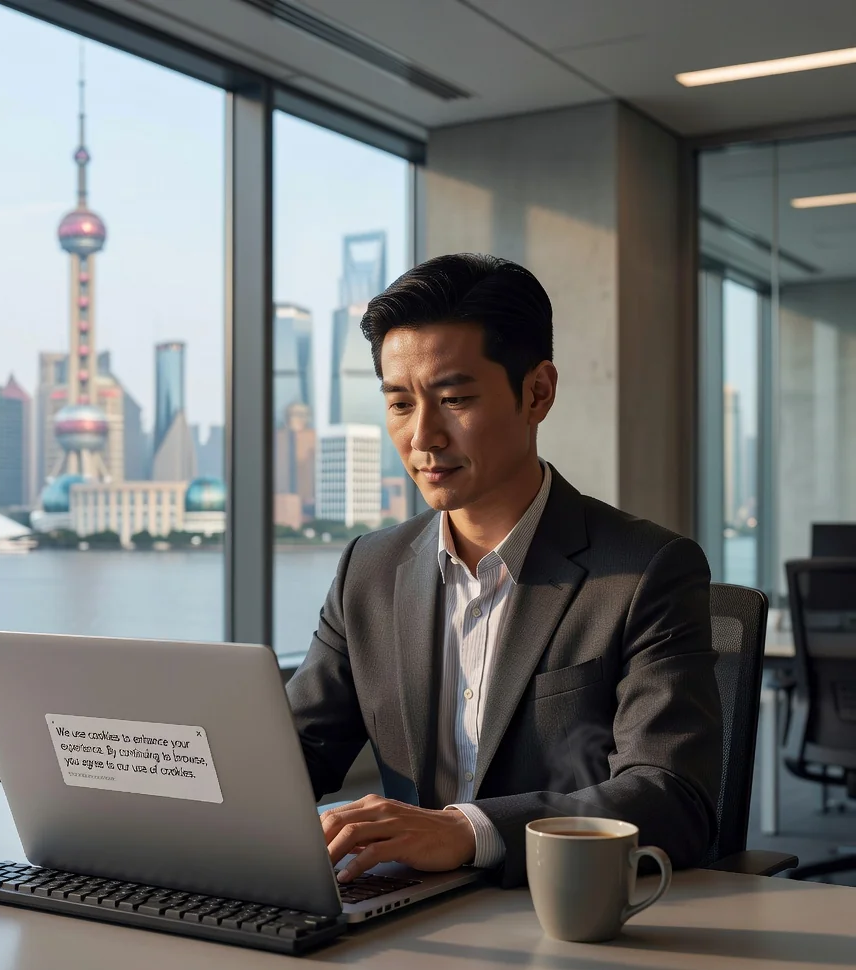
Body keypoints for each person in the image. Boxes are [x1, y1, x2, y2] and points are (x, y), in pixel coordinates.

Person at [287, 253, 722, 888]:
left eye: (455, 399)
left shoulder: (645, 571)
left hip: (565, 919)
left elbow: (672, 797)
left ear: (537, 393)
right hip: (404, 919)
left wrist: (465, 832)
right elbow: (292, 754)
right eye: (400, 404)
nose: (423, 436)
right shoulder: (369, 571)